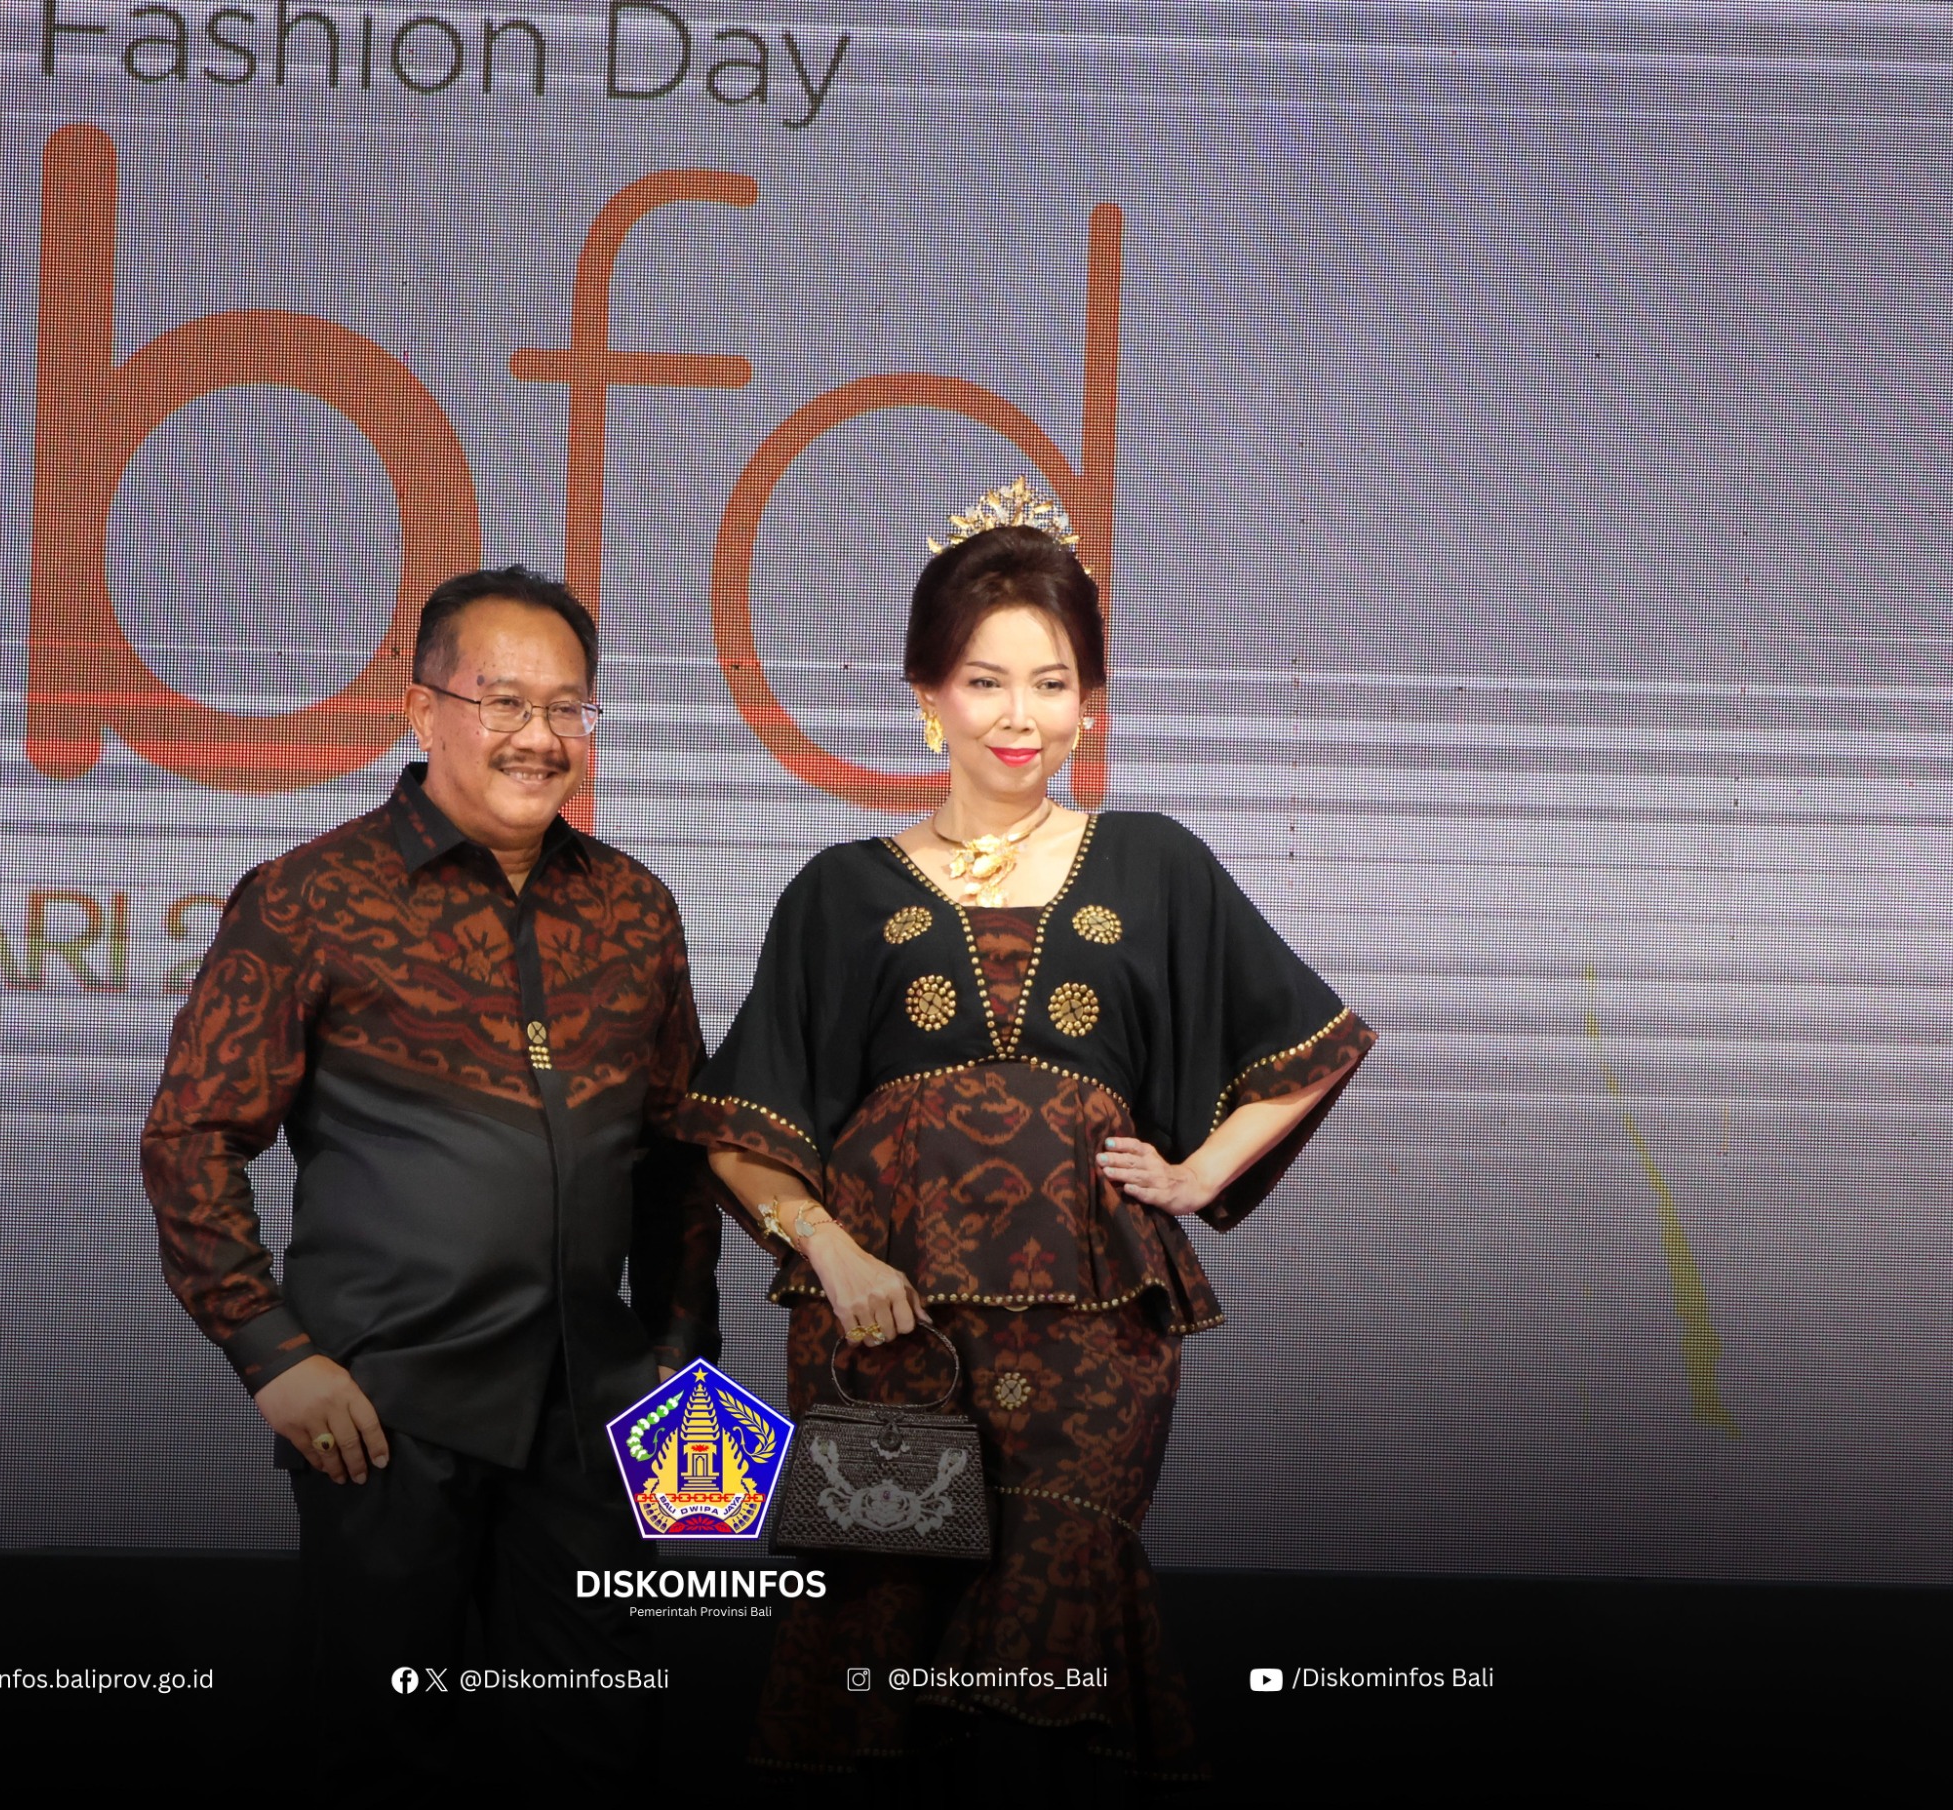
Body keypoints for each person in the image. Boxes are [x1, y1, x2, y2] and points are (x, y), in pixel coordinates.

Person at [677, 481, 1375, 1786]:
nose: (1020, 716)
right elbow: (740, 1125)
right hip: (887, 1326)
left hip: (1091, 1330)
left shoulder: (1156, 864)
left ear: (1089, 702)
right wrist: (831, 1250)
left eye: (1051, 684)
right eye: (985, 681)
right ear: (926, 694)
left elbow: (1313, 1040)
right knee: (878, 1636)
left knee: (1054, 1629)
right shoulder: (839, 892)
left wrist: (1198, 1170)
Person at [140, 566, 723, 1774]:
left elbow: (677, 1151)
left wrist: (678, 1358)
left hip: (595, 1407)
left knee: (604, 1736)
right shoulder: (309, 896)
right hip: (382, 1410)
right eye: (503, 701)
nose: (539, 737)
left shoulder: (633, 906)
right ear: (420, 710)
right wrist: (271, 1351)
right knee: (379, 1741)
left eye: (567, 708)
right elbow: (192, 1135)